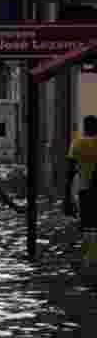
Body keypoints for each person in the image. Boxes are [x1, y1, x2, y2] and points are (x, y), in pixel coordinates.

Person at [64, 115, 97, 270]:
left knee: (87, 224)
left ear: (85, 128)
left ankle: (90, 257)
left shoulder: (77, 143)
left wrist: (66, 195)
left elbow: (70, 171)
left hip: (85, 189)